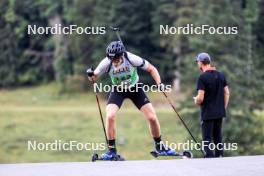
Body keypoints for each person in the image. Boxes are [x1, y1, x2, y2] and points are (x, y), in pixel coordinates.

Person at [87, 41, 175, 160]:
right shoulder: (107, 62)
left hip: (135, 89)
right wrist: (90, 74)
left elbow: (151, 69)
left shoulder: (132, 58)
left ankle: (160, 146)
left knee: (152, 117)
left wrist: (159, 83)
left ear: (122, 55)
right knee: (110, 116)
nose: (114, 62)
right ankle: (111, 151)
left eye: (116, 60)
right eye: (112, 60)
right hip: (118, 90)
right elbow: (94, 77)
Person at [193, 53, 230, 158]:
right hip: (219, 112)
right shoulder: (221, 75)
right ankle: (220, 157)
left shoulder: (202, 77)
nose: (197, 64)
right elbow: (227, 92)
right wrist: (223, 107)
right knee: (218, 137)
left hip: (208, 113)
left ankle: (210, 161)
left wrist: (196, 100)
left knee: (207, 139)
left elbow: (200, 98)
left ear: (201, 63)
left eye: (197, 62)